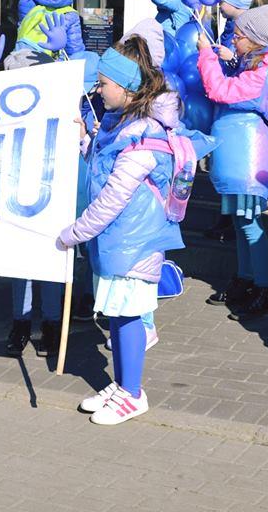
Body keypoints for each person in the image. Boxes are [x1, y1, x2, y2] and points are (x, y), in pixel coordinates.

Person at [59, 35, 190, 425]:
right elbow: (101, 169)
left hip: (135, 243)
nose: (98, 90)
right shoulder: (121, 124)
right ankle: (122, 383)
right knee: (117, 314)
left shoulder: (143, 138)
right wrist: (84, 138)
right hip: (120, 241)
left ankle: (132, 393)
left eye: (103, 84)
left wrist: (74, 233)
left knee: (129, 315)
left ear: (128, 88)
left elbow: (112, 198)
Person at [196, 5, 268, 318]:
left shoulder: (266, 73)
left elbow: (220, 89)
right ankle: (246, 279)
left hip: (248, 154)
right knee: (242, 222)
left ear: (257, 41)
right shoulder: (257, 64)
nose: (235, 40)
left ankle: (264, 288)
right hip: (238, 151)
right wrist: (229, 59)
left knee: (251, 225)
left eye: (240, 36)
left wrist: (207, 57)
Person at [202, 0, 261, 245]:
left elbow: (247, 68)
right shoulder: (230, 26)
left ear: (236, 4)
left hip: (235, 107)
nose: (219, 4)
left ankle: (228, 219)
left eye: (222, 0)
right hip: (224, 102)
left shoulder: (248, 31)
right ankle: (226, 217)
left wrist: (228, 58)